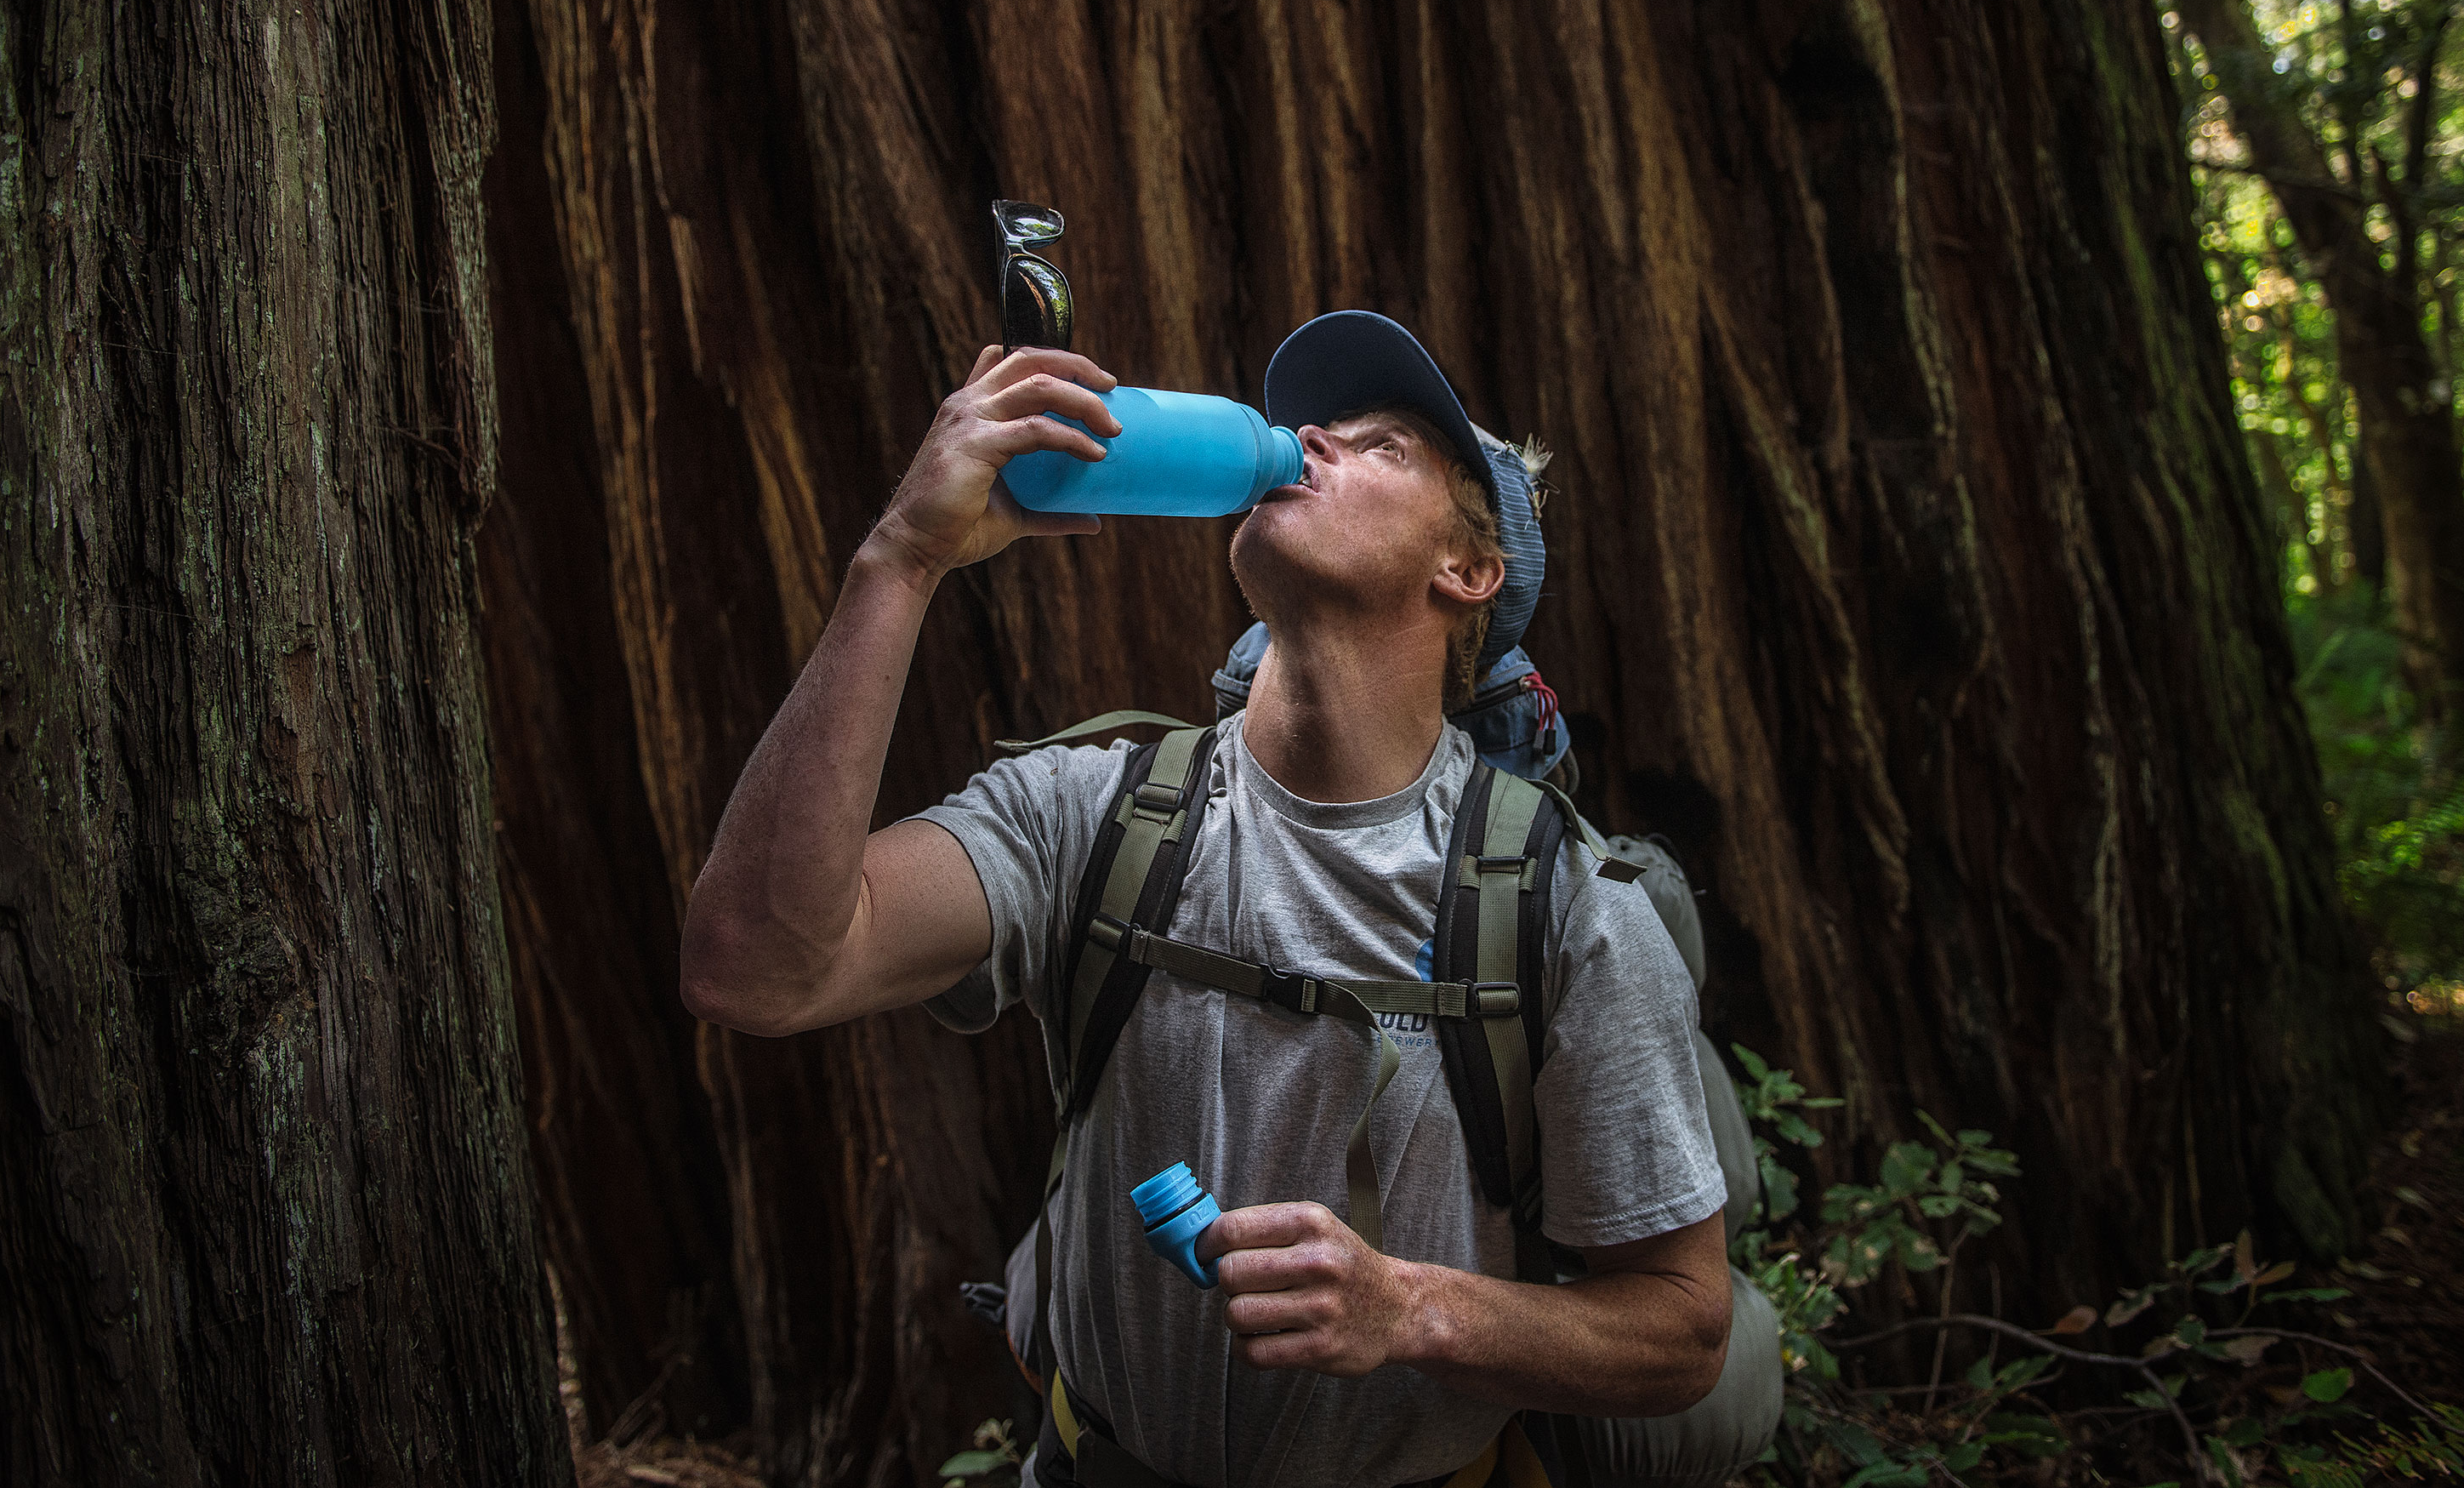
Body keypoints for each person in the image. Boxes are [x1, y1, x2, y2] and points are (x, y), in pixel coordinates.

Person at [680, 312, 1734, 1486]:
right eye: (1310, 427)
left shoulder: (1563, 908)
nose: (1309, 441)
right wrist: (901, 558)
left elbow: (1682, 1330)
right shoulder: (1088, 816)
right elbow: (754, 969)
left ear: (1467, 571)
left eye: (1380, 445)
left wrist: (1412, 1309)